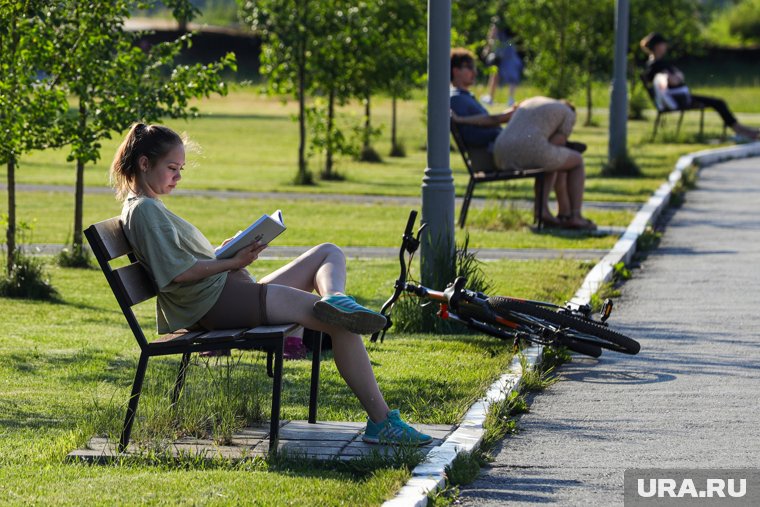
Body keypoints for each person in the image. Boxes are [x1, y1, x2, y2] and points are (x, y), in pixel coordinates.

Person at [109, 123, 432, 446]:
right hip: (217, 303)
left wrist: (225, 252)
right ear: (144, 163)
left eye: (180, 169)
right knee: (342, 326)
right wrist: (232, 262)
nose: (178, 176)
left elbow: (181, 262)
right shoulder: (146, 210)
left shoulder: (146, 206)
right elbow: (177, 273)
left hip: (225, 293)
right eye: (172, 168)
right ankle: (381, 422)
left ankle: (335, 297)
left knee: (327, 252)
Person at [450, 48, 595, 230]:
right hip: (490, 154)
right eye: (469, 67)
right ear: (455, 71)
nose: (474, 72)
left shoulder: (464, 98)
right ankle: (571, 215)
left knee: (555, 158)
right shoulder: (457, 100)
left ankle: (563, 214)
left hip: (497, 148)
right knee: (561, 157)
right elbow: (475, 133)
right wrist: (505, 126)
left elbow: (489, 122)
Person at [640, 32, 758, 140]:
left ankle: (741, 129)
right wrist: (676, 76)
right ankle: (740, 129)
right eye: (663, 45)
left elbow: (679, 76)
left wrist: (677, 76)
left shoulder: (657, 64)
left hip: (680, 97)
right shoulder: (656, 65)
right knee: (718, 102)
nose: (665, 47)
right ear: (657, 46)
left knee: (717, 102)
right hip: (679, 99)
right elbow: (674, 80)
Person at [480, 19, 523, 107]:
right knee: (510, 74)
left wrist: (487, 49)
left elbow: (492, 36)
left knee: (495, 74)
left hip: (500, 52)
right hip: (510, 51)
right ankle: (510, 99)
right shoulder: (512, 20)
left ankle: (491, 98)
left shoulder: (497, 21)